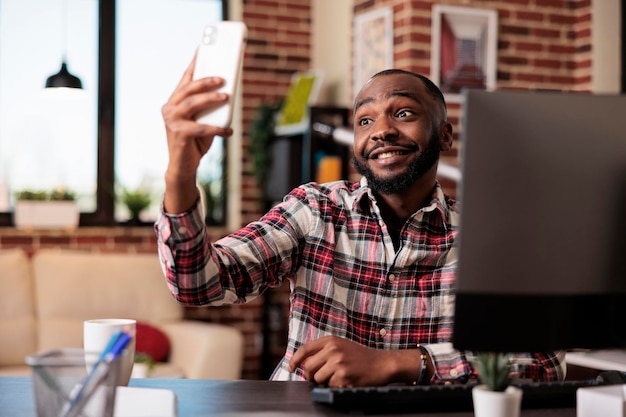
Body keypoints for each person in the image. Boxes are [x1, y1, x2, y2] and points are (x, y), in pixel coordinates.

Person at [155, 54, 566, 387]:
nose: (381, 131)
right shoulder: (314, 209)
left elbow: (543, 359)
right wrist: (180, 174)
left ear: (444, 134)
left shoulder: (487, 236)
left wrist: (403, 364)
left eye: (403, 113)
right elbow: (198, 285)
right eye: (365, 121)